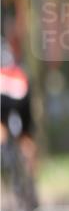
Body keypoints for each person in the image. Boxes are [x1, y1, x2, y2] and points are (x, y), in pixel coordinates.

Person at [1, 38, 38, 179]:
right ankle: (31, 178)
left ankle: (7, 167)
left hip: (5, 90)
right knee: (26, 137)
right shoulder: (10, 44)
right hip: (21, 87)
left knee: (2, 129)